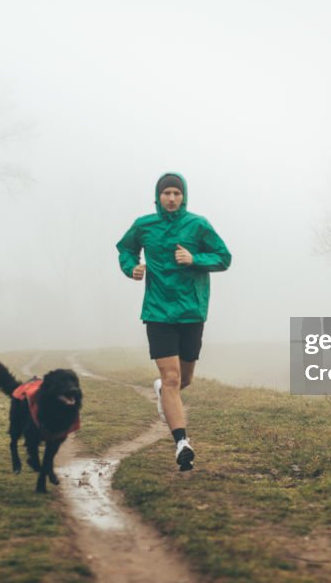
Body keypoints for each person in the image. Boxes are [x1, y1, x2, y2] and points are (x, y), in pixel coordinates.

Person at [116, 172, 232, 471]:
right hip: (157, 311)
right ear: (158, 197)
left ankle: (162, 391)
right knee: (171, 378)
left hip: (191, 310)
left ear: (184, 196)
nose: (171, 198)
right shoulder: (144, 225)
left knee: (184, 379)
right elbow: (125, 248)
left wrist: (195, 259)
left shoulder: (198, 225)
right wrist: (132, 268)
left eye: (176, 193)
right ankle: (182, 442)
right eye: (166, 193)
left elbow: (224, 257)